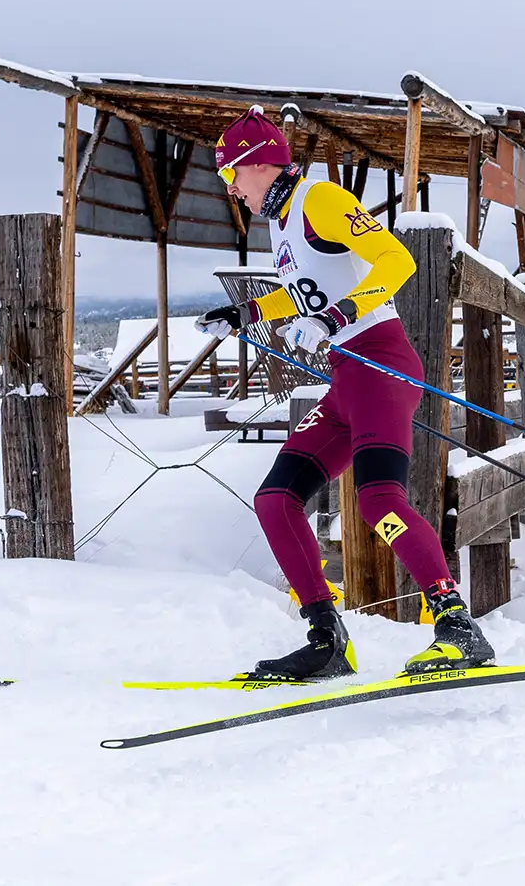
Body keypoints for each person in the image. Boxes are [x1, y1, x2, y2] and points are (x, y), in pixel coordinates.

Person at [195, 106, 492, 680]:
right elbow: (298, 293)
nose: (231, 187)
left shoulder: (321, 200)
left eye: (232, 172)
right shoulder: (280, 224)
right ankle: (326, 638)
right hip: (346, 381)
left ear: (260, 164)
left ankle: (456, 624)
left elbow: (395, 258)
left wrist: (336, 317)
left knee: (378, 502)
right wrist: (243, 314)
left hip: (382, 364)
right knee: (275, 500)